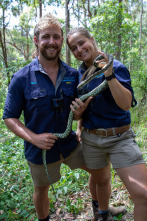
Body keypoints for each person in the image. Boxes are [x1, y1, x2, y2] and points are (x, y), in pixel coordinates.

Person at [2, 14, 125, 221]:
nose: (52, 42)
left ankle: (101, 211)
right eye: (46, 37)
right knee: (41, 190)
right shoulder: (21, 78)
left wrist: (79, 117)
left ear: (61, 41)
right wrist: (34, 138)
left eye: (56, 37)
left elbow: (82, 109)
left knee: (101, 172)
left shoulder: (72, 74)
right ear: (36, 40)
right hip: (40, 149)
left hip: (71, 145)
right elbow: (9, 117)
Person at [66, 27, 147, 221]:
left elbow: (126, 104)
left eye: (81, 43)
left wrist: (109, 74)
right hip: (92, 139)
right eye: (73, 48)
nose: (79, 49)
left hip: (120, 139)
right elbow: (81, 112)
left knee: (143, 195)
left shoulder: (115, 66)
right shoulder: (78, 75)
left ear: (92, 39)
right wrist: (78, 118)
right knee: (101, 180)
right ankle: (102, 213)